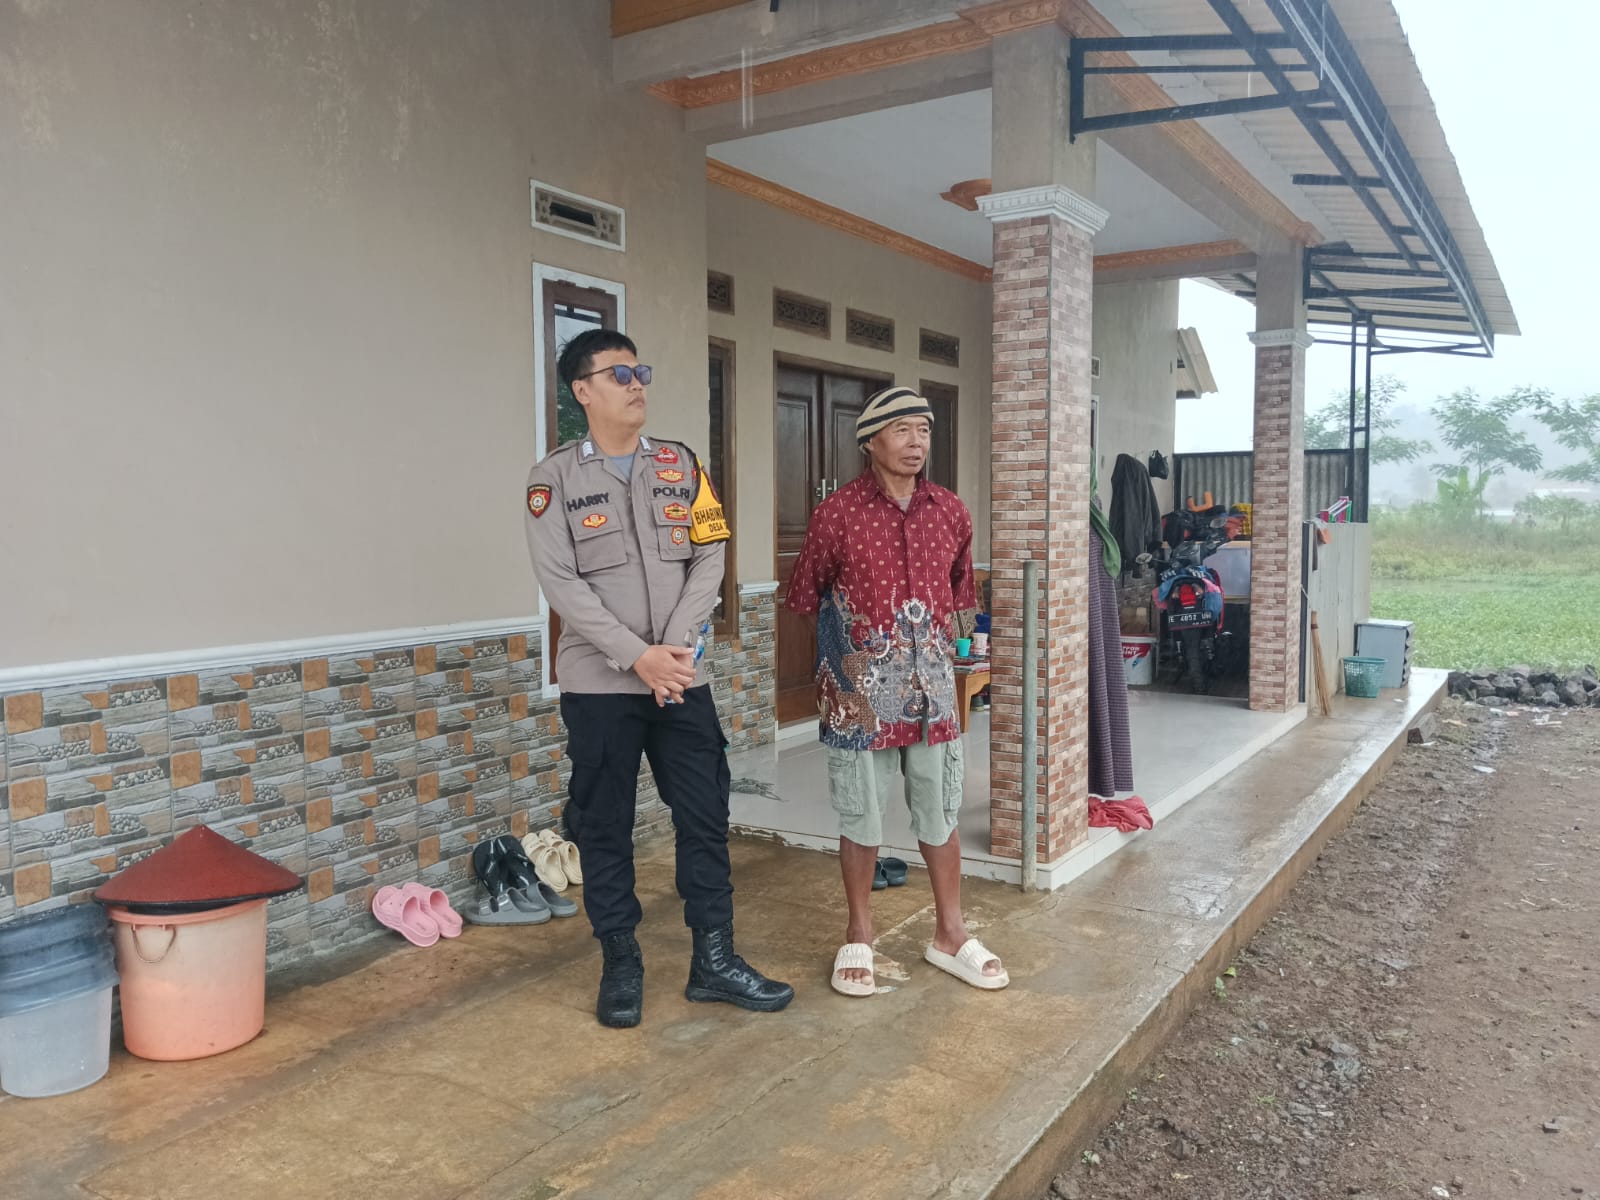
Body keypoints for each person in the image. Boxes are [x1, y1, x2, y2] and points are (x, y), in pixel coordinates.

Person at [523, 328, 793, 1028]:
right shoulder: (553, 480)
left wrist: (670, 650)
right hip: (600, 687)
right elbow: (561, 584)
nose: (635, 384)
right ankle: (621, 961)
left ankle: (715, 960)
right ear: (583, 391)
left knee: (705, 816)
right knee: (604, 825)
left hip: (679, 681)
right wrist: (635, 656)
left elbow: (711, 553)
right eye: (618, 375)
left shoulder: (682, 463)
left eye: (638, 372)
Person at [785, 385, 1008, 997]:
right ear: (871, 441)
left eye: (924, 430)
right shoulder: (837, 514)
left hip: (933, 691)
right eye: (903, 430)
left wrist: (961, 658)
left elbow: (961, 593)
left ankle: (951, 933)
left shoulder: (951, 512)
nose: (916, 443)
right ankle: (859, 932)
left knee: (939, 810)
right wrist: (841, 671)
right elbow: (806, 595)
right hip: (859, 696)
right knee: (861, 813)